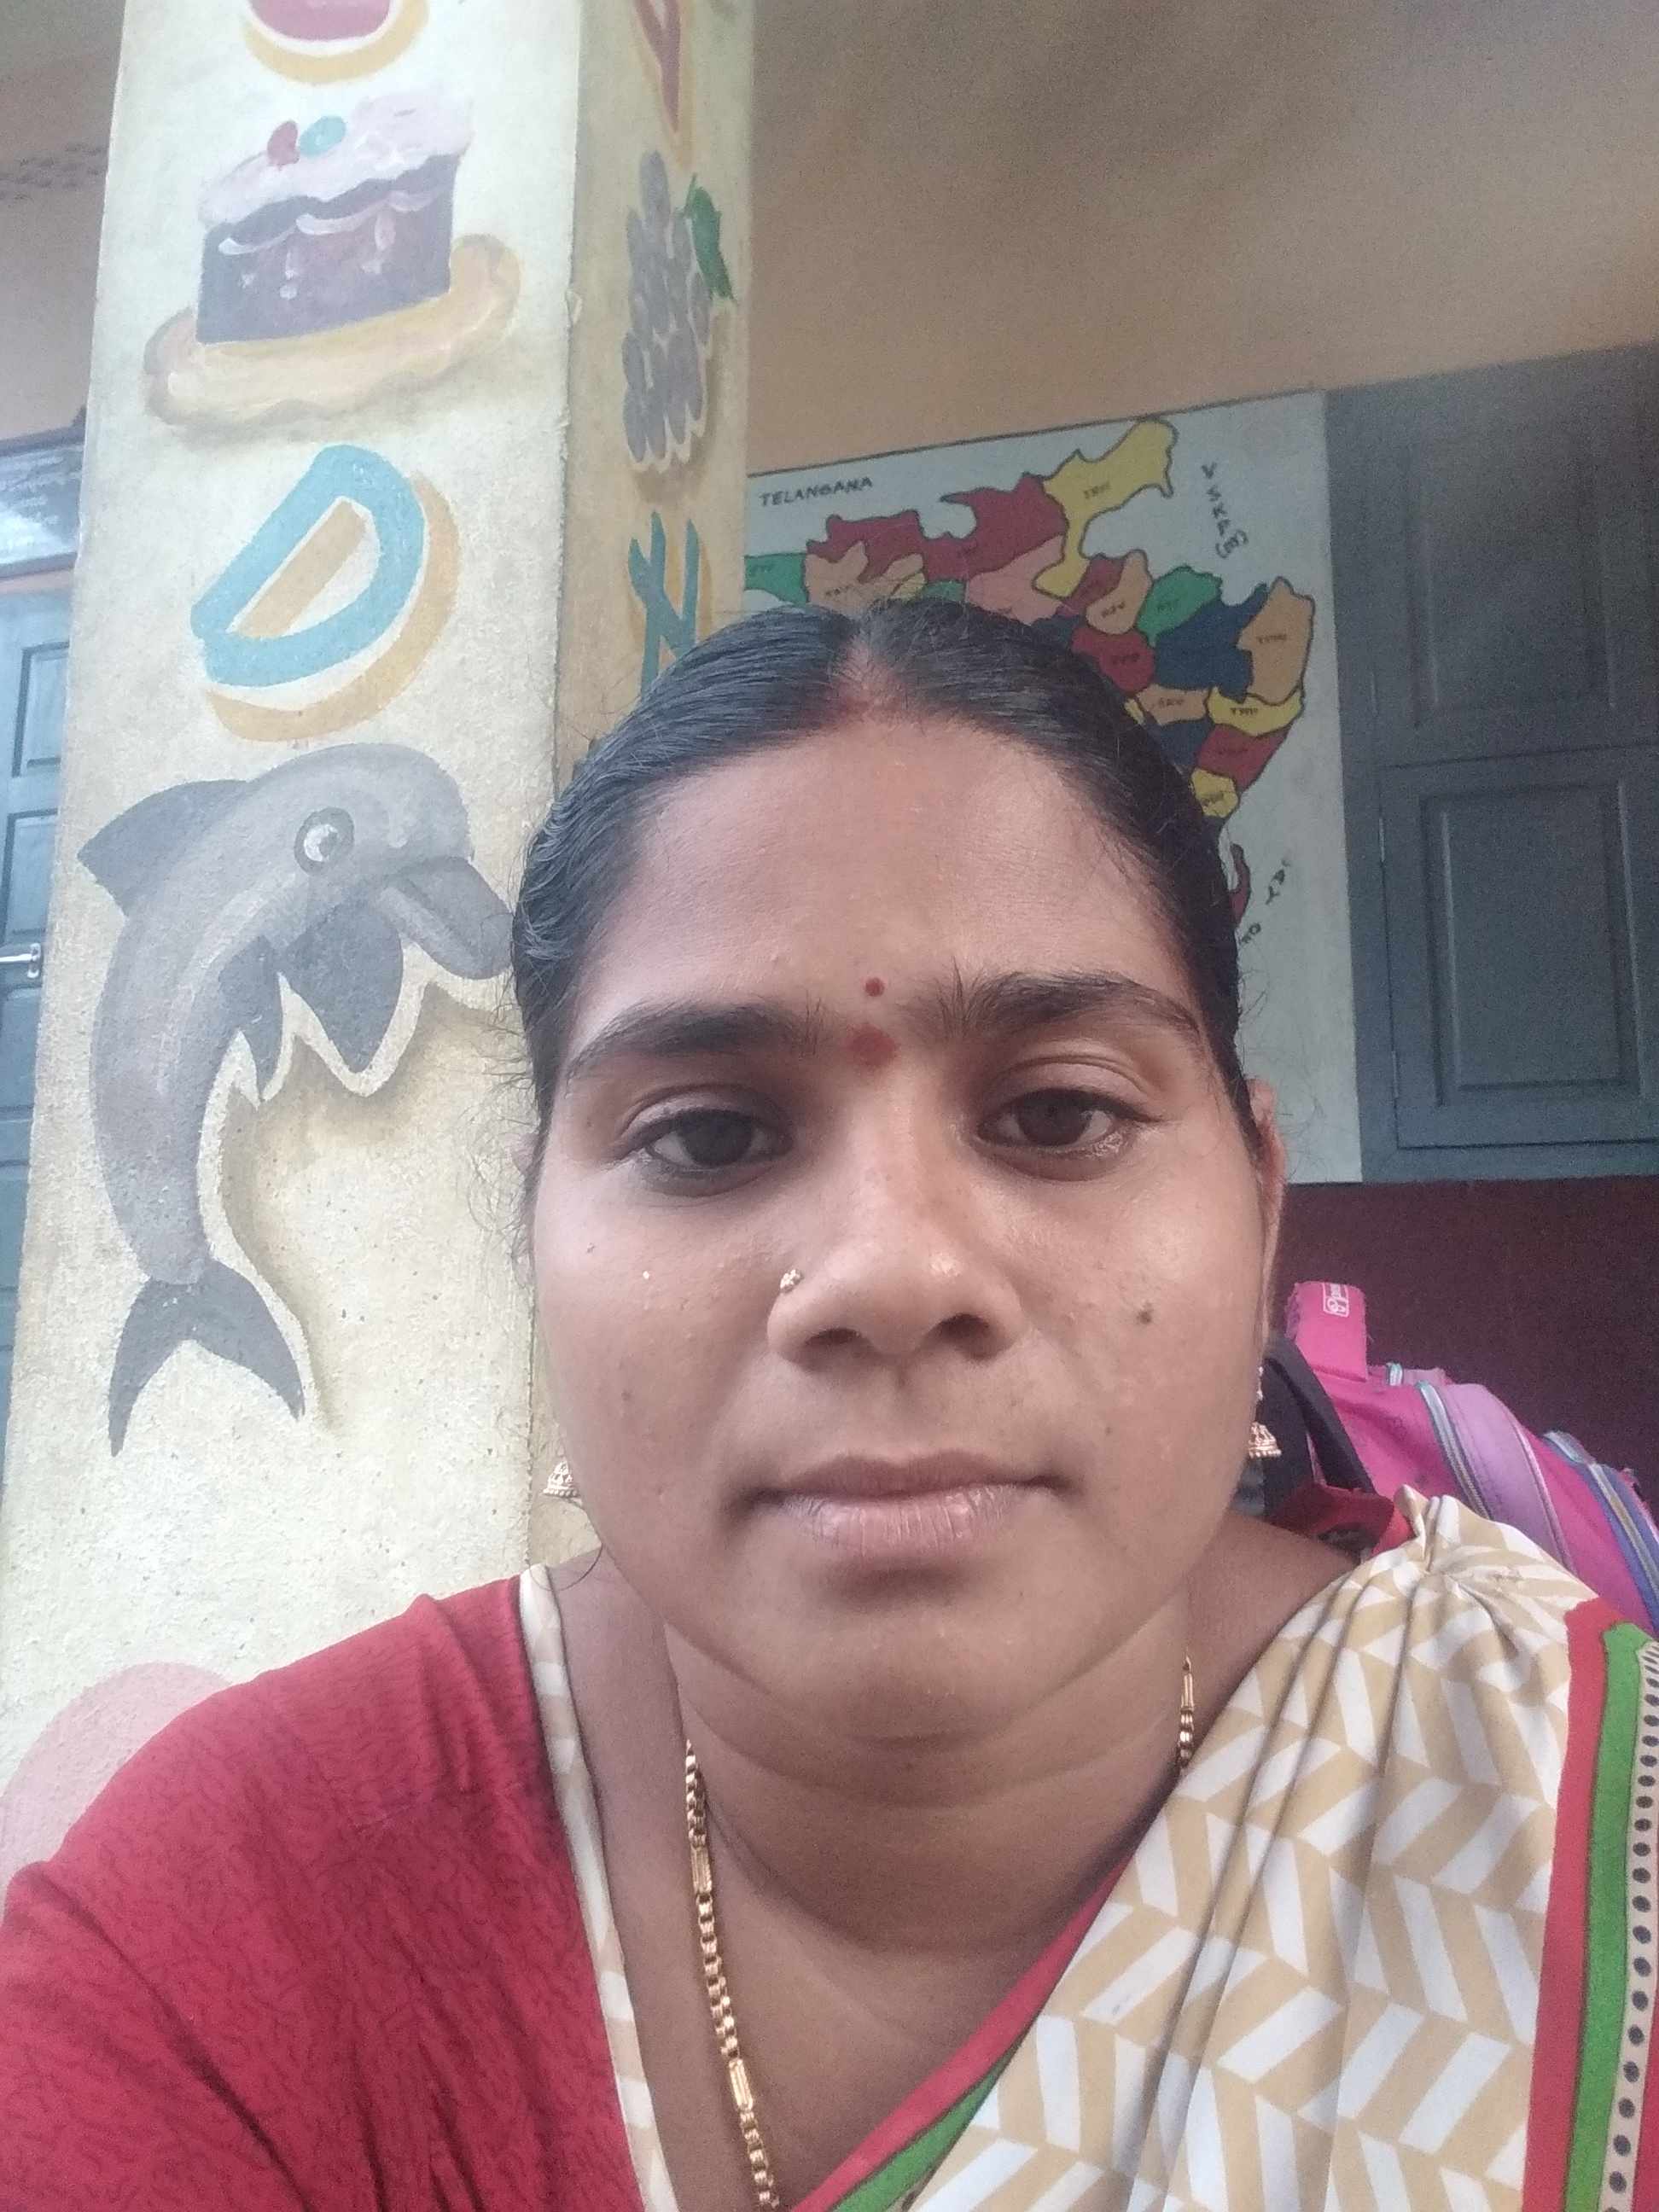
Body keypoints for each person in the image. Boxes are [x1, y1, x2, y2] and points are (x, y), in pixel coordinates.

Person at [0, 602, 1650, 2211]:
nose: (891, 1272)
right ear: (530, 1241)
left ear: (1263, 1198)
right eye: (707, 1136)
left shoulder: (1565, 1819)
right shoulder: (226, 1929)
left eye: (1059, 1114)